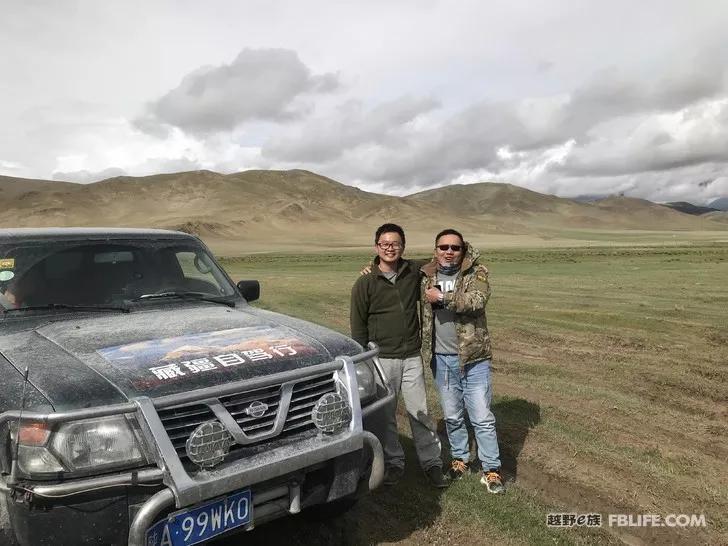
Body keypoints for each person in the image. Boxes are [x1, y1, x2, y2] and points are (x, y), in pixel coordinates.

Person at [350, 223, 448, 488]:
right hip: (381, 359)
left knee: (420, 411)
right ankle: (394, 463)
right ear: (376, 247)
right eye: (384, 244)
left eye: (395, 243)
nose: (390, 248)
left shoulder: (412, 271)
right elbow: (357, 326)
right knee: (387, 416)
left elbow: (438, 261)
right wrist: (363, 363)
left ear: (403, 246)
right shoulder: (365, 282)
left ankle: (432, 463)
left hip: (411, 356)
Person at [420, 228, 505, 494]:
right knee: (453, 415)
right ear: (435, 250)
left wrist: (442, 297)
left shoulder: (476, 273)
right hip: (442, 359)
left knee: (481, 416)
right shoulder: (425, 275)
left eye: (455, 248)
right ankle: (460, 459)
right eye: (443, 247)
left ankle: (491, 468)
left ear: (463, 250)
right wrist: (371, 266)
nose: (449, 252)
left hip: (473, 358)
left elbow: (476, 301)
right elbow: (393, 266)